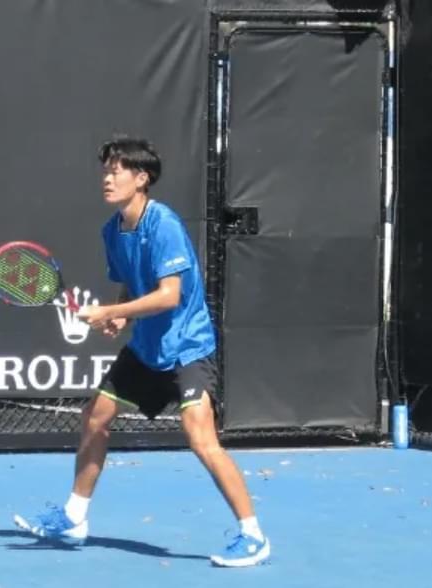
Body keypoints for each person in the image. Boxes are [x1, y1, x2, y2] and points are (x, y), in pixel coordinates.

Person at [14, 136, 270, 567]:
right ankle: (74, 517)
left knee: (200, 437)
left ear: (142, 178)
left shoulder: (163, 224)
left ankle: (253, 535)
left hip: (187, 348)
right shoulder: (112, 231)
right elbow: (132, 284)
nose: (107, 178)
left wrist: (112, 311)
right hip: (145, 348)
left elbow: (170, 295)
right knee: (95, 416)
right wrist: (121, 317)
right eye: (105, 171)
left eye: (117, 171)